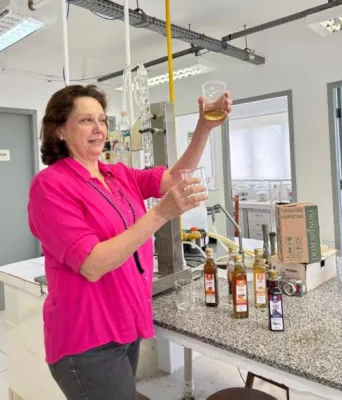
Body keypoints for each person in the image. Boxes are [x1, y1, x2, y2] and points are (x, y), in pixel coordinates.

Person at [27, 84, 232, 400]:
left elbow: (175, 178)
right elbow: (92, 264)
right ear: (59, 130)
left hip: (124, 326)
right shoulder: (51, 186)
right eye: (86, 120)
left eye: (102, 119)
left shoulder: (116, 175)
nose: (99, 128)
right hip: (87, 340)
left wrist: (204, 128)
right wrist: (160, 214)